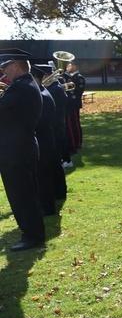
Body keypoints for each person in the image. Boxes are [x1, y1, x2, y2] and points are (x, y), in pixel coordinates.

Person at [0, 49, 46, 252]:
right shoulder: (24, 85)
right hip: (19, 148)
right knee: (26, 194)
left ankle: (32, 236)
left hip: (16, 151)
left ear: (16, 65)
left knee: (22, 196)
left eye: (5, 67)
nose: (4, 73)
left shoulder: (22, 87)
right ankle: (33, 233)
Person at [30, 65, 58, 216]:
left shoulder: (43, 96)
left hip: (44, 141)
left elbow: (39, 122)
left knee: (43, 176)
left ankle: (47, 208)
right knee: (41, 176)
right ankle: (44, 205)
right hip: (43, 140)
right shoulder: (40, 93)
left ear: (37, 79)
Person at [41, 63, 68, 200]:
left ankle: (59, 192)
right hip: (56, 129)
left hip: (54, 130)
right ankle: (59, 192)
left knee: (54, 163)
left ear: (46, 75)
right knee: (55, 163)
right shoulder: (53, 87)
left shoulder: (54, 89)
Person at [63, 61, 85, 168]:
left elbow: (76, 93)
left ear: (75, 66)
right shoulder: (67, 77)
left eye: (69, 65)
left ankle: (76, 144)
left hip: (73, 105)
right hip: (68, 105)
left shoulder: (79, 78)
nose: (67, 67)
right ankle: (74, 143)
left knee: (73, 125)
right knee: (70, 125)